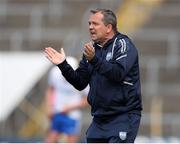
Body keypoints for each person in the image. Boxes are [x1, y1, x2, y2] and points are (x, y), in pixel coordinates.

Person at [44, 8, 142, 143]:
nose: (90, 27)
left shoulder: (123, 45)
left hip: (123, 116)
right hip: (99, 119)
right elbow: (80, 83)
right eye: (89, 23)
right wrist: (63, 65)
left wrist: (95, 60)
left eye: (95, 24)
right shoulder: (92, 50)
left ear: (108, 27)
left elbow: (118, 74)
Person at [45, 56, 89, 143]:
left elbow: (88, 99)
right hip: (57, 112)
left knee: (71, 140)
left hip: (72, 115)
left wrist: (70, 107)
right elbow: (50, 90)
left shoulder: (82, 77)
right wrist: (49, 107)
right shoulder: (55, 73)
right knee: (51, 139)